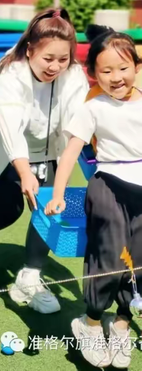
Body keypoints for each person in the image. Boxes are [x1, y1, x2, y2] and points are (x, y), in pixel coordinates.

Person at [0, 9, 89, 314]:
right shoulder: (9, 71)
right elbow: (9, 128)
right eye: (48, 59)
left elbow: (79, 123)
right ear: (31, 49)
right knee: (9, 210)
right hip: (0, 149)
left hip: (49, 152)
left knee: (47, 209)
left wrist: (67, 171)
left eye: (63, 59)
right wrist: (24, 172)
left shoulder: (73, 74)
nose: (56, 67)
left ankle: (30, 277)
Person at [45, 25, 142, 368]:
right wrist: (58, 194)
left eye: (123, 67)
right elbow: (70, 152)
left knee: (140, 266)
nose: (116, 77)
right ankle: (88, 323)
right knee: (112, 260)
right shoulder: (93, 107)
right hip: (108, 186)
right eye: (106, 70)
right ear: (93, 74)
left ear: (137, 66)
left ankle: (121, 325)